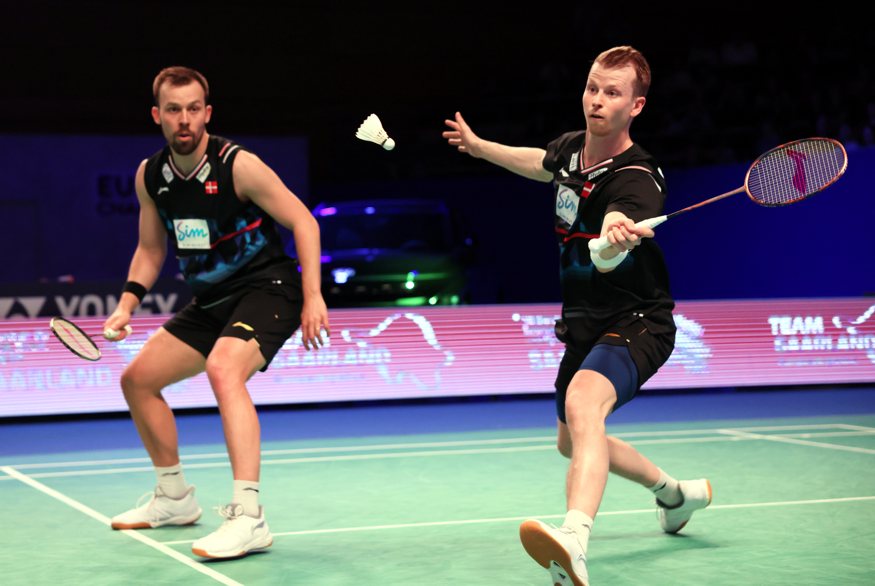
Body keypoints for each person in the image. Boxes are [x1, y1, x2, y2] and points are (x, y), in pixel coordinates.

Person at [443, 46, 711, 585]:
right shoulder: (571, 150)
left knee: (586, 404)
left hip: (638, 320)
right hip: (585, 323)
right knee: (572, 440)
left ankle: (574, 539)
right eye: (593, 87)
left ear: (636, 106)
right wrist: (479, 147)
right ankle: (674, 495)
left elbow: (616, 227)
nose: (597, 100)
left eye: (612, 92)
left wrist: (614, 236)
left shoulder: (639, 176)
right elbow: (539, 163)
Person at [103, 66, 329, 559]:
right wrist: (126, 305)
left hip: (269, 288)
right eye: (173, 110)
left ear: (207, 113)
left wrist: (313, 295)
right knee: (137, 381)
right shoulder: (151, 176)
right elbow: (150, 249)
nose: (184, 119)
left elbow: (303, 222)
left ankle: (248, 517)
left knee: (223, 368)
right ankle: (174, 498)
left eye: (193, 109)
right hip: (212, 300)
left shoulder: (237, 166)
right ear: (158, 115)